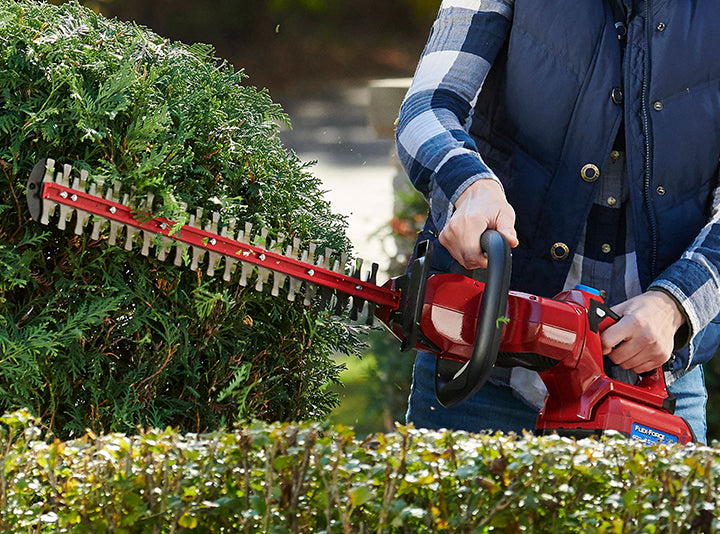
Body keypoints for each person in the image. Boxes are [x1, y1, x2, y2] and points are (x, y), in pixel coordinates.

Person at [396, 0, 720, 444]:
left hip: (651, 389)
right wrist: (470, 185)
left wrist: (675, 302)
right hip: (483, 370)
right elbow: (428, 106)